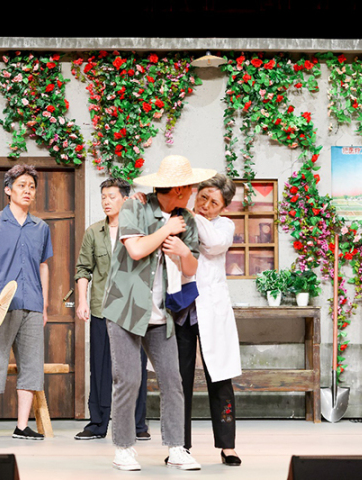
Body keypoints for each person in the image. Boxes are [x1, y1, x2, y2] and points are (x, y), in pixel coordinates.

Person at [102, 155, 215, 471]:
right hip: (125, 308)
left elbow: (191, 268)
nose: (193, 192)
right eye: (190, 187)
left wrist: (183, 251)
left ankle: (177, 447)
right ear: (178, 189)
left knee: (172, 379)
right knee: (128, 379)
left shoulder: (186, 219)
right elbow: (136, 249)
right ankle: (123, 448)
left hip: (162, 313)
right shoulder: (135, 207)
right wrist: (167, 230)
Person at [0, 164, 52, 442]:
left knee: (31, 365)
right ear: (8, 190)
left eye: (32, 187)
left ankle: (22, 426)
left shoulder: (41, 227)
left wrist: (45, 305)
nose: (28, 191)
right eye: (21, 186)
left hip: (33, 305)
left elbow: (43, 266)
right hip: (0, 306)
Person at [74, 178, 149, 441]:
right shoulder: (94, 232)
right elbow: (83, 269)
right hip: (102, 308)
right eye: (103, 197)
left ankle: (137, 425)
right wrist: (82, 301)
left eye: (112, 196)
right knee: (100, 367)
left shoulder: (141, 228)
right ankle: (97, 423)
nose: (106, 201)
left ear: (125, 199)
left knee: (135, 368)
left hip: (133, 308)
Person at [177, 173, 242, 466]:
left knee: (220, 377)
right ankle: (179, 445)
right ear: (195, 194)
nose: (205, 205)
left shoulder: (224, 226)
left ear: (223, 208)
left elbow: (214, 245)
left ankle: (228, 446)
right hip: (182, 311)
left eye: (213, 203)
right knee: (180, 380)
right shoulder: (178, 219)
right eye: (202, 197)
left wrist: (191, 215)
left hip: (211, 311)